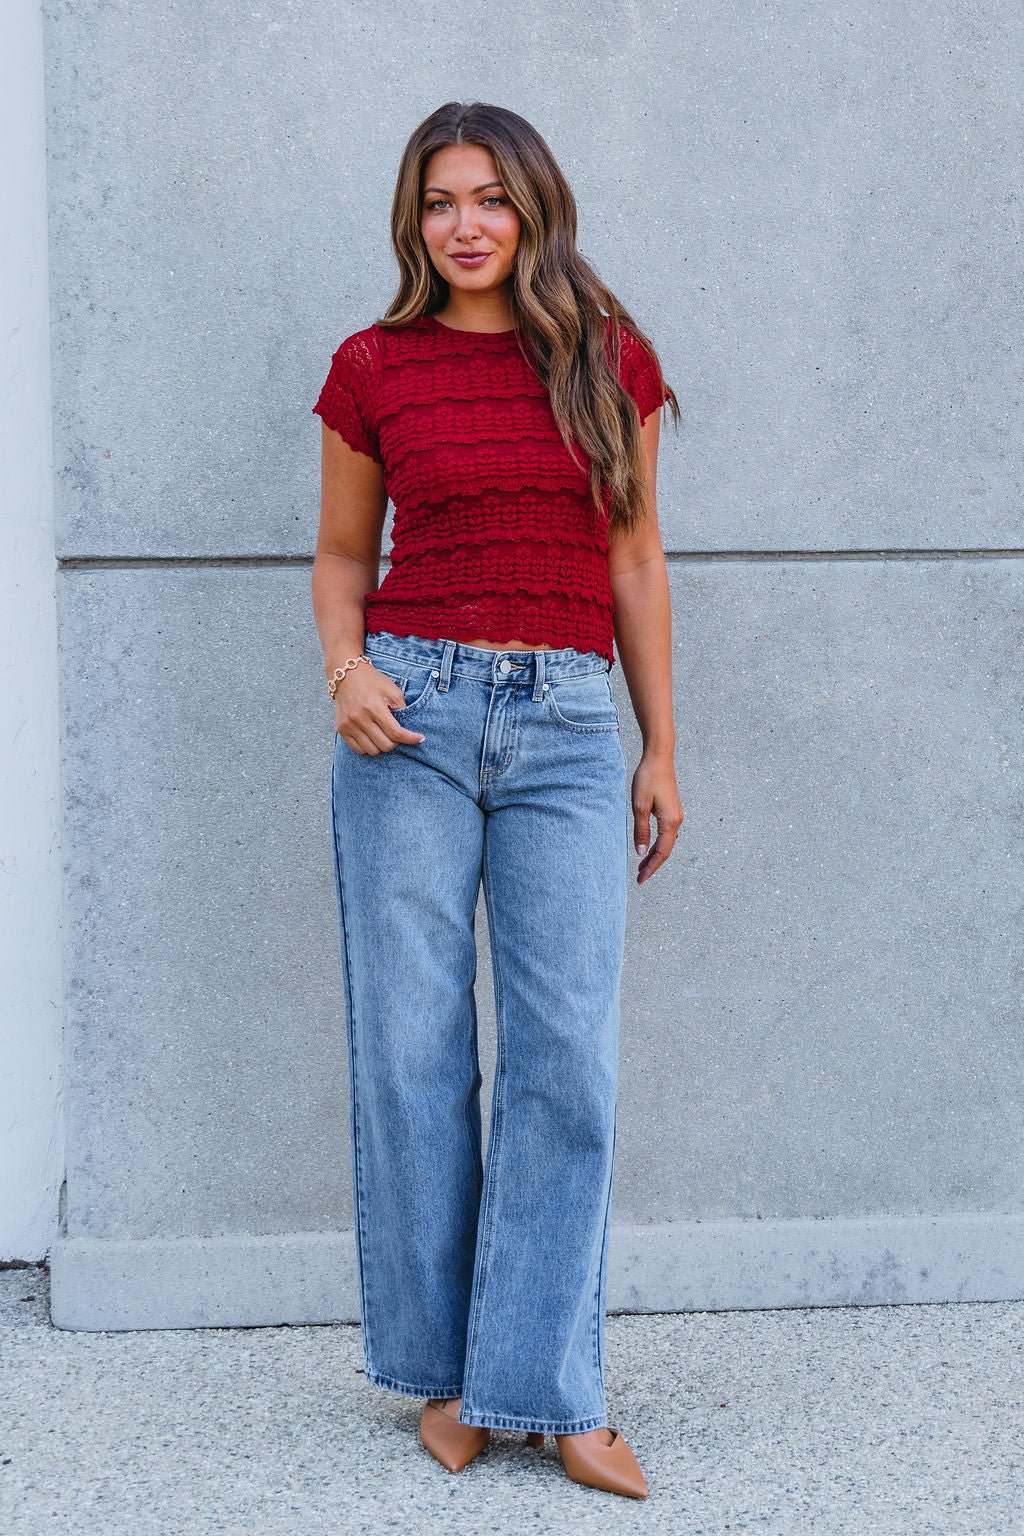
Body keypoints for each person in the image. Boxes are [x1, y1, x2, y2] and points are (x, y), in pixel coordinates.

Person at [310, 100, 684, 1501]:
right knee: (412, 1054)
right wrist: (346, 669)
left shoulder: (608, 361)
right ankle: (458, 1374)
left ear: (535, 209)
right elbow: (343, 557)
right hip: (406, 717)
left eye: (490, 199)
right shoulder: (374, 366)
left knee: (565, 1058)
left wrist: (660, 748)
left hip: (574, 726)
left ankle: (556, 1384)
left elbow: (637, 563)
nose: (464, 223)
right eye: (437, 201)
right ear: (415, 220)